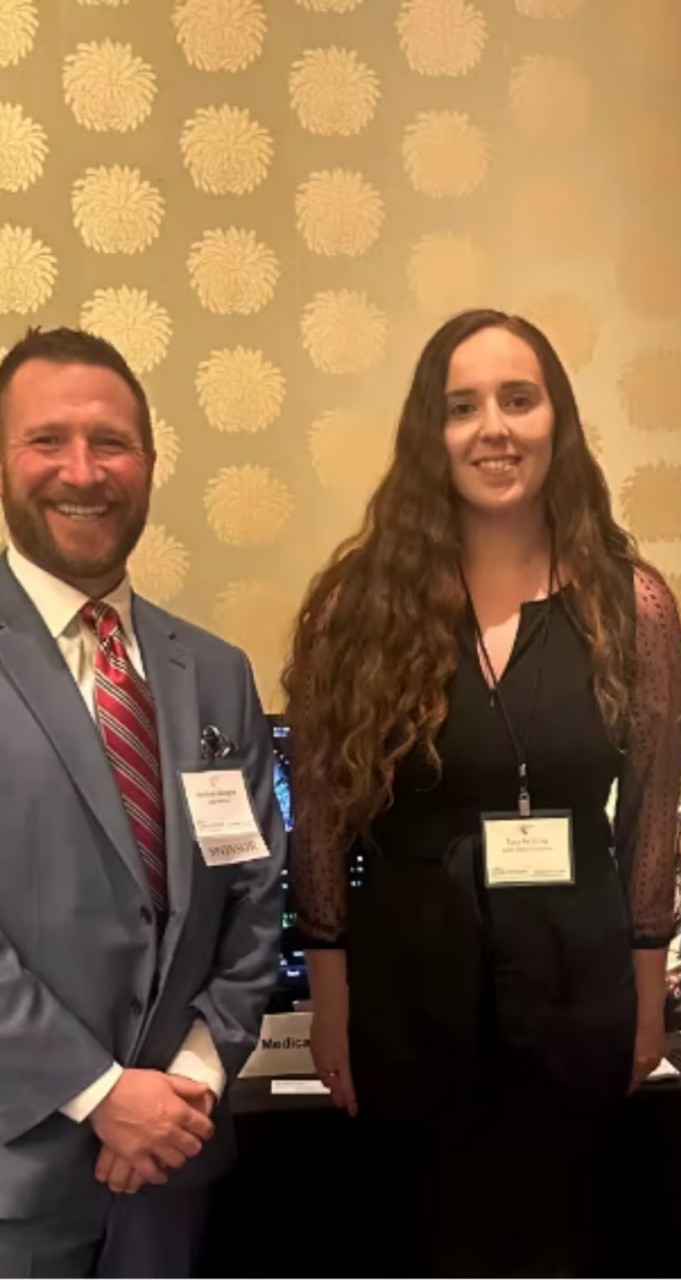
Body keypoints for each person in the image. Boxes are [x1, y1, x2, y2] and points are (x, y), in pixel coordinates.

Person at [284, 308, 681, 1276]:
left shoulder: (631, 605)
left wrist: (645, 1001)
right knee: (426, 1240)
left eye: (519, 399)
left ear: (559, 420)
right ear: (429, 432)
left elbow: (650, 812)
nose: (493, 429)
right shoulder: (356, 606)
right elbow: (321, 817)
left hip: (575, 981)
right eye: (462, 406)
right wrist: (330, 1000)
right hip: (408, 986)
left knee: (561, 1241)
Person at [0, 328, 286, 1277]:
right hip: (16, 1178)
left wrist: (189, 1085)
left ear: (151, 466)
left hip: (174, 1168)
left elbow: (255, 898)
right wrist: (100, 1095)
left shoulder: (215, 672)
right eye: (47, 440)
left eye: (111, 443)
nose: (83, 471)